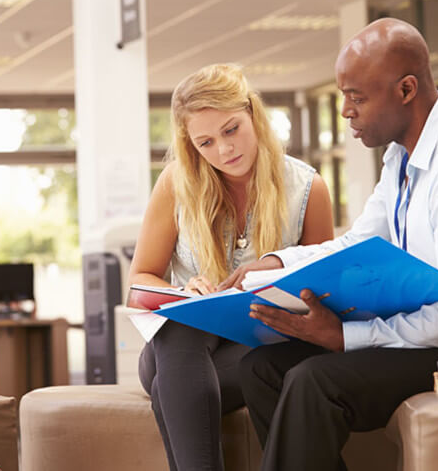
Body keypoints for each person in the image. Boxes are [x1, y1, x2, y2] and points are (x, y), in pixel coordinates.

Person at [230, 18, 438, 471]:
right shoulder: (401, 157)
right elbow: (359, 242)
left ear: (405, 90)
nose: (345, 111)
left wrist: (349, 337)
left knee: (313, 381)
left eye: (356, 97)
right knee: (262, 369)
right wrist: (276, 263)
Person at [128, 63, 335, 471]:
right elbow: (141, 277)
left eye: (231, 130)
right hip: (181, 343)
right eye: (205, 142)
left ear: (253, 115)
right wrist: (186, 294)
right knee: (180, 329)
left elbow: (325, 290)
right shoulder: (176, 183)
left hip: (262, 341)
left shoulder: (308, 187)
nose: (224, 150)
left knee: (167, 385)